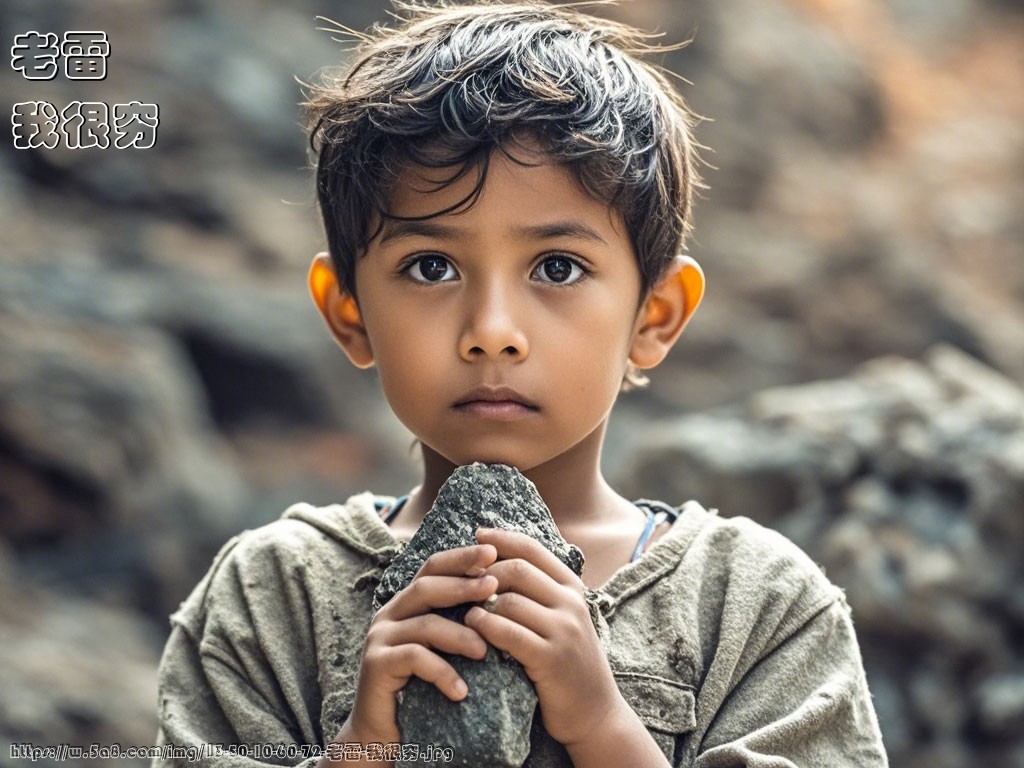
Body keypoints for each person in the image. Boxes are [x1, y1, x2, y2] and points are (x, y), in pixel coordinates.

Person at [153, 2, 888, 766]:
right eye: (431, 267)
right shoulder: (273, 598)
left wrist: (603, 725)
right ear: (349, 313)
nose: (492, 328)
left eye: (557, 268)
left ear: (656, 314)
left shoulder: (752, 605)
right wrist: (362, 748)